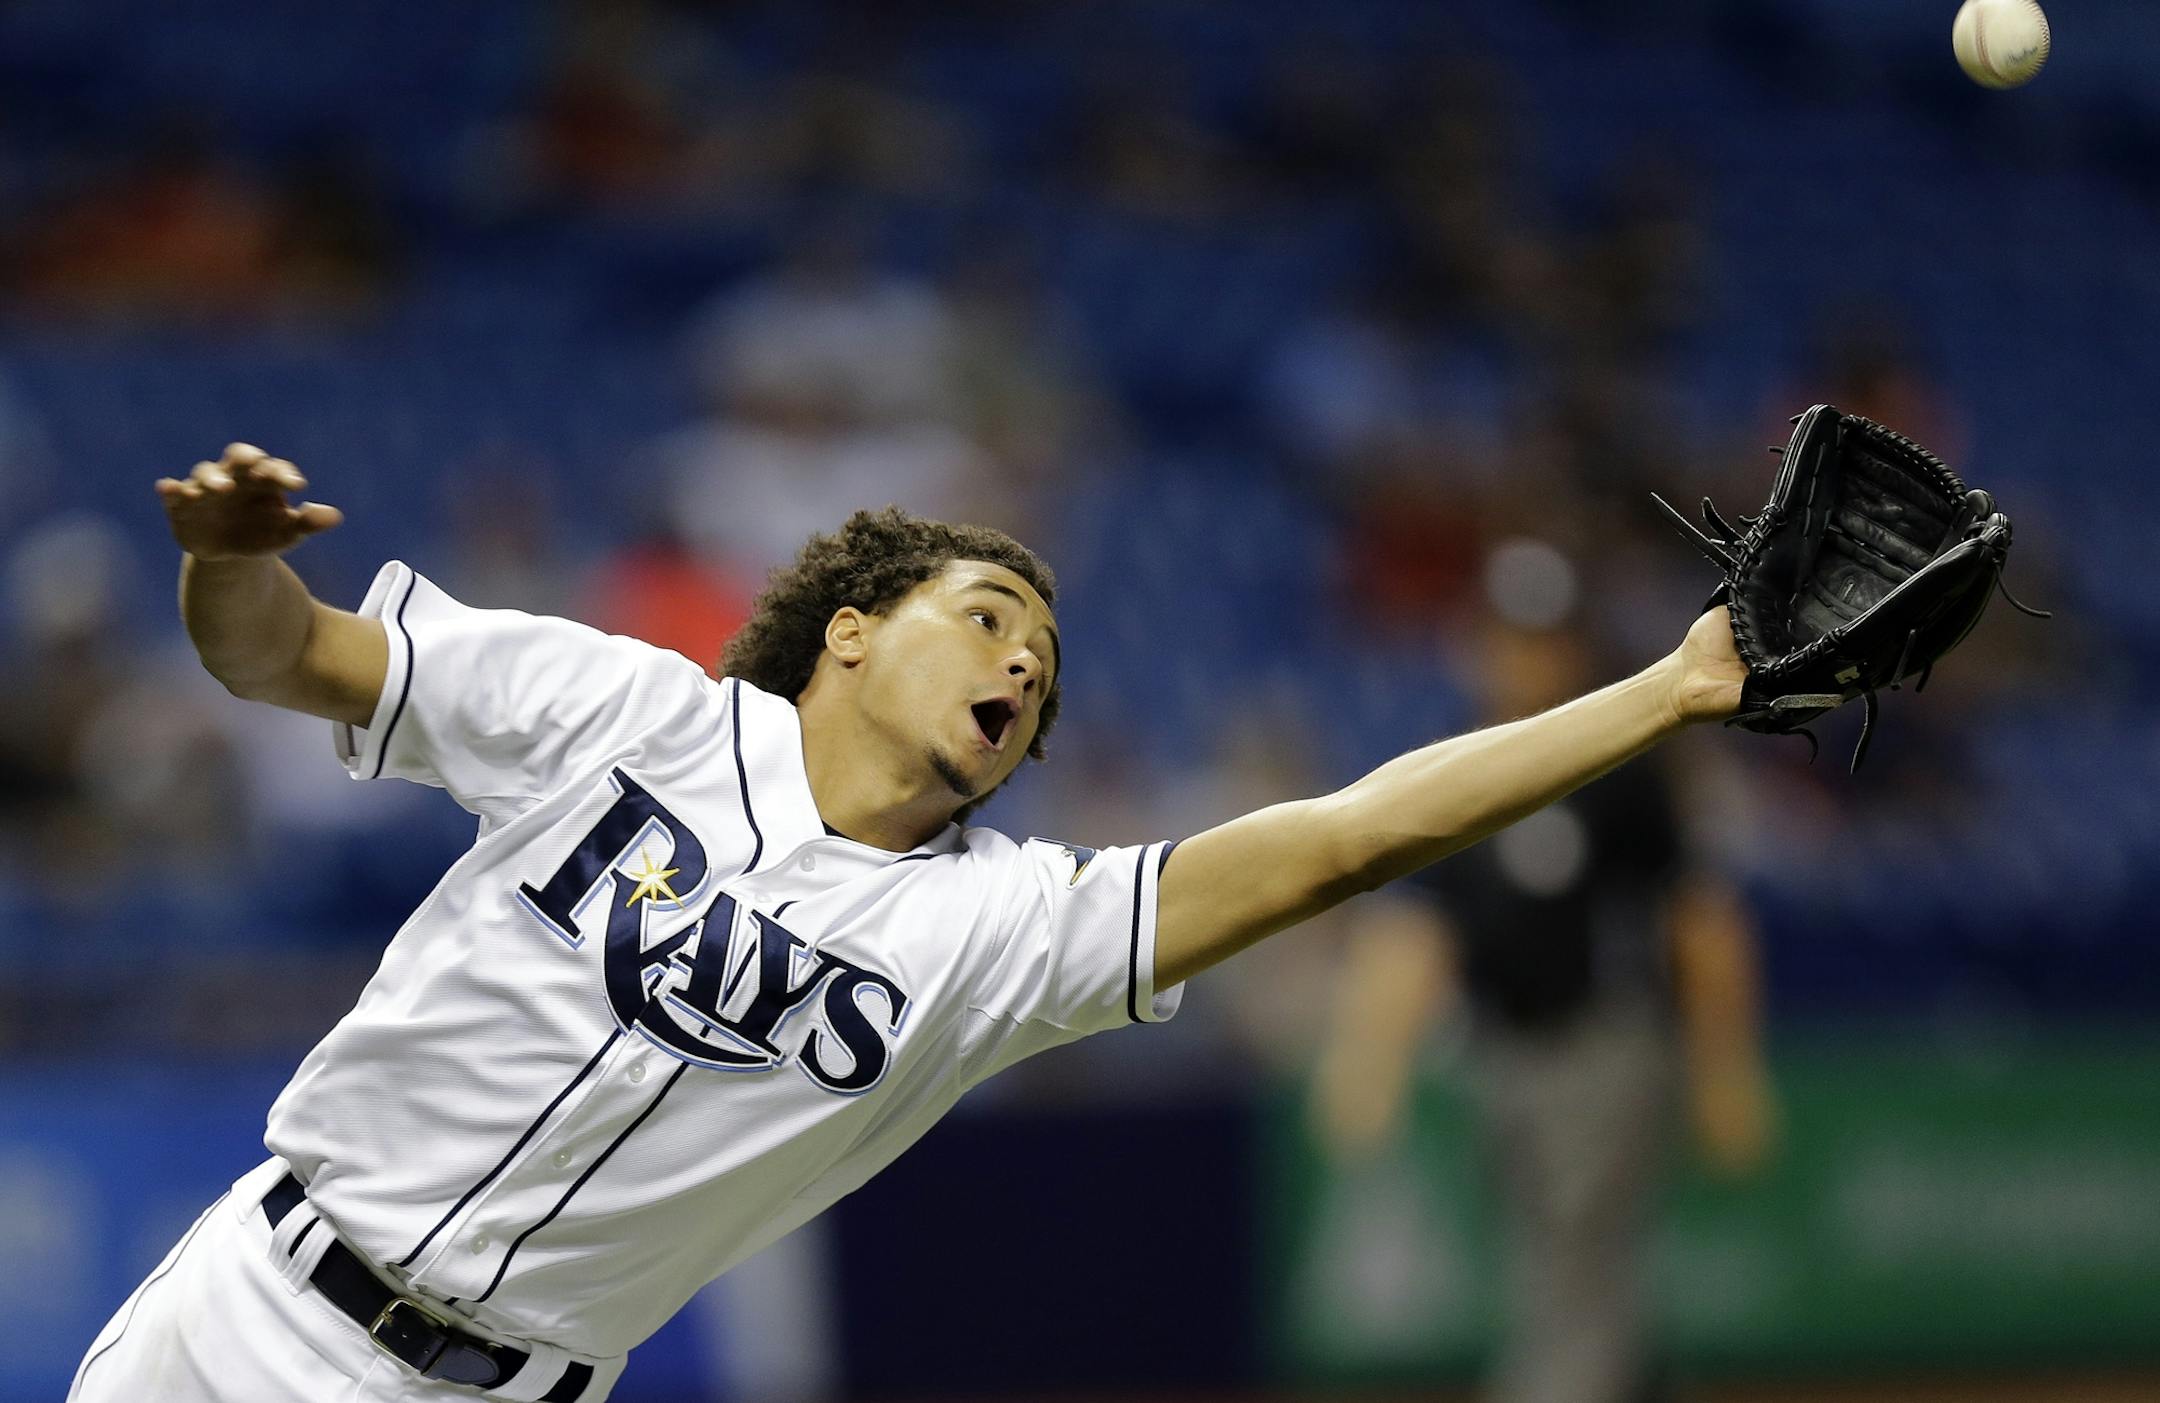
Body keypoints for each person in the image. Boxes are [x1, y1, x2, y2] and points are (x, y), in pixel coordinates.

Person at [72, 443, 1748, 1402]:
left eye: (1045, 663)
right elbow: (282, 652)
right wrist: (224, 562)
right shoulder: (622, 712)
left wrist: (1667, 690)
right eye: (990, 616)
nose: (1023, 662)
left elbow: (1341, 842)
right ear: (852, 631)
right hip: (243, 1309)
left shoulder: (1000, 931)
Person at [1313, 546, 1774, 1403]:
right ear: (1478, 644)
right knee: (1576, 1270)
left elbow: (1699, 920)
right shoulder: (1449, 769)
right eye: (1511, 637)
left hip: (1606, 1046)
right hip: (1504, 1056)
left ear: (1573, 649)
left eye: (1546, 639)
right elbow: (1415, 929)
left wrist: (1725, 1068)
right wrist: (1368, 1058)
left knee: (1571, 1269)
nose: (1527, 657)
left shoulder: (1621, 760)